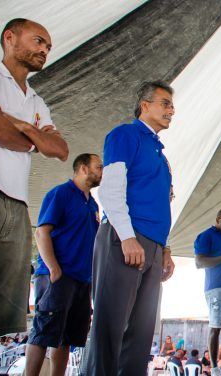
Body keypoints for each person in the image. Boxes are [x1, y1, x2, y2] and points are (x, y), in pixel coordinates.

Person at [84, 80, 176, 375]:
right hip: (125, 238)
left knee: (141, 334)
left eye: (172, 105)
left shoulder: (161, 156)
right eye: (165, 103)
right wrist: (126, 237)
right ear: (144, 105)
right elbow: (110, 190)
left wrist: (166, 249)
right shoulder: (125, 135)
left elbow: (162, 205)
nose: (171, 110)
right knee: (109, 327)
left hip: (153, 246)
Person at [0, 18, 69, 337]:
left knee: (2, 311)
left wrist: (19, 124)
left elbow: (60, 149)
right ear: (10, 38)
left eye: (48, 47)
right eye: (38, 41)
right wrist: (35, 136)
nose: (44, 50)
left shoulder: (36, 101)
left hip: (18, 205)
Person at [25, 153, 102, 376]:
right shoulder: (61, 194)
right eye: (98, 166)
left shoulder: (93, 205)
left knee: (67, 337)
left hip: (82, 280)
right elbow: (42, 232)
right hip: (57, 276)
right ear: (83, 168)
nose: (102, 171)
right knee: (43, 331)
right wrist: (53, 268)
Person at [195, 208, 221, 376]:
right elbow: (199, 262)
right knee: (216, 327)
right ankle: (214, 368)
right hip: (216, 288)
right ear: (218, 219)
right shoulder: (206, 235)